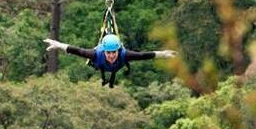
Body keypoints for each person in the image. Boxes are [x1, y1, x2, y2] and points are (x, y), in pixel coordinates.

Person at [43, 33, 177, 87]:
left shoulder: (124, 55)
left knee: (129, 58)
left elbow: (143, 55)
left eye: (114, 52)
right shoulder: (96, 54)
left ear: (118, 50)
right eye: (109, 53)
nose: (111, 55)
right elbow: (77, 50)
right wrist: (58, 45)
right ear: (104, 51)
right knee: (90, 58)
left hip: (116, 66)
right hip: (99, 64)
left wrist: (163, 54)